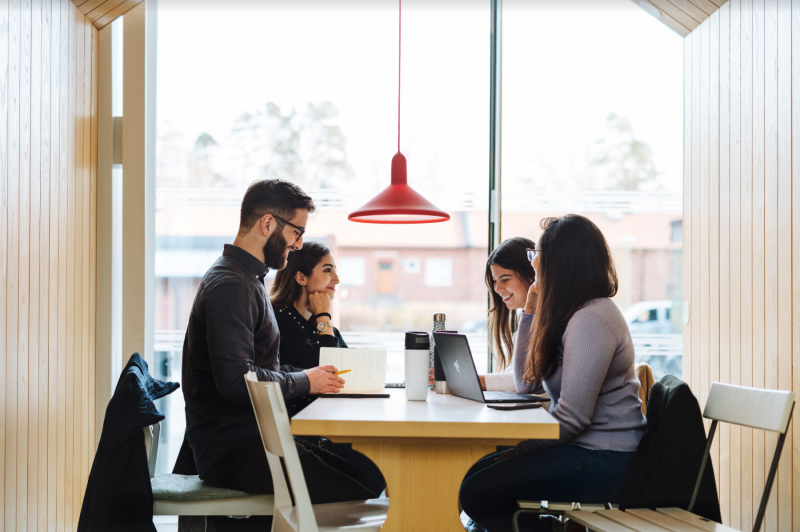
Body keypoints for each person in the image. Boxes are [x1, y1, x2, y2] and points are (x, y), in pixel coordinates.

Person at [181, 179, 382, 503]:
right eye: (296, 232)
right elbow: (236, 381)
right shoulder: (231, 285)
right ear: (268, 223)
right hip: (236, 449)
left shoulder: (245, 279)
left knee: (368, 475)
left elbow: (262, 368)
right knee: (360, 493)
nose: (299, 244)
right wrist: (305, 380)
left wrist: (311, 377)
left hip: (254, 438)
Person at [460, 215, 647, 532]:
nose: (533, 263)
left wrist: (521, 448)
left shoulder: (592, 318)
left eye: (537, 255)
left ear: (561, 262)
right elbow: (526, 383)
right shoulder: (568, 312)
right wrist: (530, 313)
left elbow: (572, 419)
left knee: (476, 491)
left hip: (606, 457)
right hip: (585, 448)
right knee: (469, 475)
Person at [269, 241, 347, 415]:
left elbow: (347, 366)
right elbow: (327, 373)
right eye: (328, 270)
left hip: (325, 416)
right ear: (301, 277)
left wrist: (322, 318)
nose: (336, 279)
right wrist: (324, 317)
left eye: (335, 270)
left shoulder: (316, 320)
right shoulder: (279, 319)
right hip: (300, 425)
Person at [479, 237, 537, 392]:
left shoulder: (548, 320)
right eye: (495, 281)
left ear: (532, 275)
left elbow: (523, 380)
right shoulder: (524, 317)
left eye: (504, 279)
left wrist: (469, 380)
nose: (497, 289)